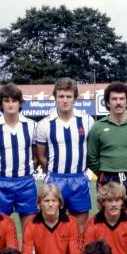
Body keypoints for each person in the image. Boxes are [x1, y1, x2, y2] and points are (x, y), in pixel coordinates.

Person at [36, 77, 95, 232]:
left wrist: (84, 172)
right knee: (53, 224)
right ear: (55, 98)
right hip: (55, 179)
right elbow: (41, 156)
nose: (65, 100)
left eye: (68, 96)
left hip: (79, 179)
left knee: (80, 227)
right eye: (61, 96)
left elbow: (91, 151)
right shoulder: (44, 124)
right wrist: (51, 171)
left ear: (75, 98)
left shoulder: (87, 121)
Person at [87, 81, 127, 220]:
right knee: (108, 221)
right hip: (108, 178)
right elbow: (91, 157)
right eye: (114, 99)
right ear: (108, 103)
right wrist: (104, 172)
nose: (118, 102)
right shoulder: (98, 127)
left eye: (122, 99)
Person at [0, 84, 38, 232]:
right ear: (1, 104)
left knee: (29, 230)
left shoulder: (32, 126)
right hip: (1, 184)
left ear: (20, 103)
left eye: (14, 100)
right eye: (6, 100)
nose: (11, 104)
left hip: (26, 182)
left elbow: (37, 155)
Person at [22, 184, 81, 254]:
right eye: (46, 201)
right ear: (39, 203)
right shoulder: (30, 223)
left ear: (59, 203)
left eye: (54, 200)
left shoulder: (71, 222)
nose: (50, 204)